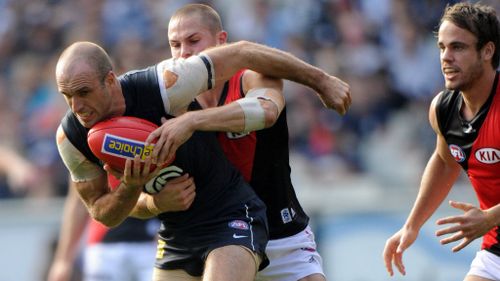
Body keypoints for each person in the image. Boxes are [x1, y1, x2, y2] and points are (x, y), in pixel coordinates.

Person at [55, 40, 350, 281]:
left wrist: (321, 81)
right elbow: (102, 212)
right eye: (67, 96)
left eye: (83, 92)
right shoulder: (71, 137)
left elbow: (243, 52)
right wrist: (133, 188)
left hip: (230, 214)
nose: (77, 106)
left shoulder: (165, 84)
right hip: (176, 234)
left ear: (109, 80)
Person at [147, 4, 332, 280]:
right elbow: (128, 193)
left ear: (222, 41)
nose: (184, 52)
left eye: (194, 41)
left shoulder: (253, 77)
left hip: (281, 236)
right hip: (208, 236)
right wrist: (154, 203)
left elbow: (267, 111)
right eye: (175, 44)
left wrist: (193, 121)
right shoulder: (165, 102)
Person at [382, 3, 500, 281]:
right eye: (441, 47)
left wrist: (491, 217)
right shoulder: (443, 109)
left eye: (458, 47)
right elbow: (445, 162)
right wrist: (411, 226)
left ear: (487, 51)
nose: (446, 57)